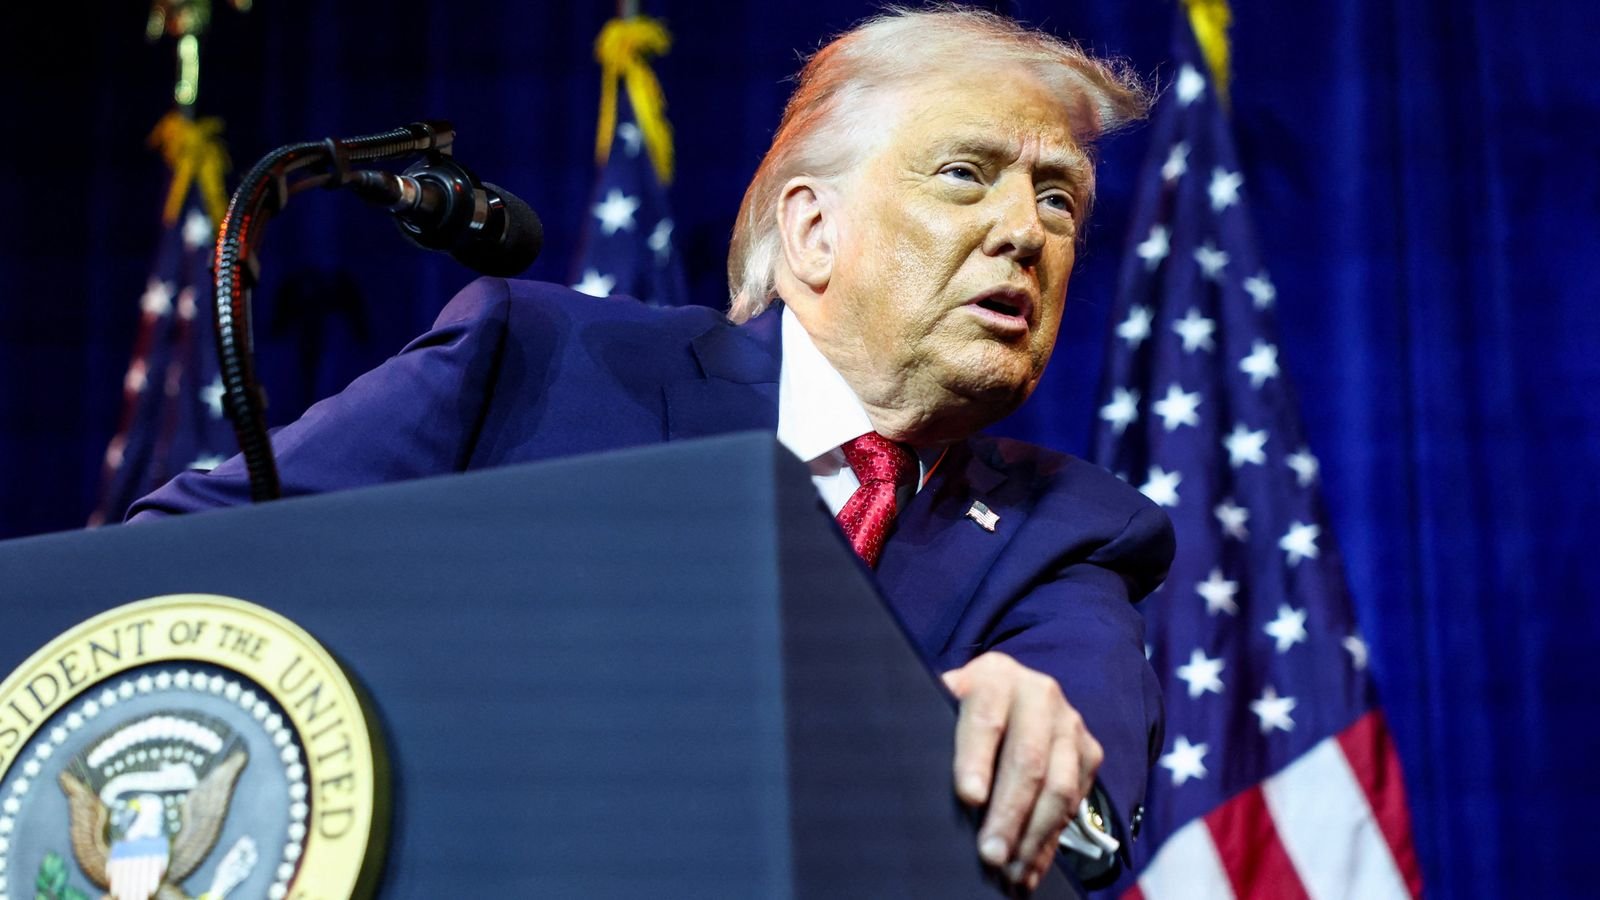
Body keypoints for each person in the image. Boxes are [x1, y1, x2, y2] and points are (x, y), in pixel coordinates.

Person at [131, 8, 1171, 892]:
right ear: (812, 230)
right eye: (964, 174)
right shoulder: (537, 360)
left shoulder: (1072, 532)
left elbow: (1081, 789)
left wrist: (1033, 743)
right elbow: (171, 564)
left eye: (1057, 200)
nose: (1024, 233)